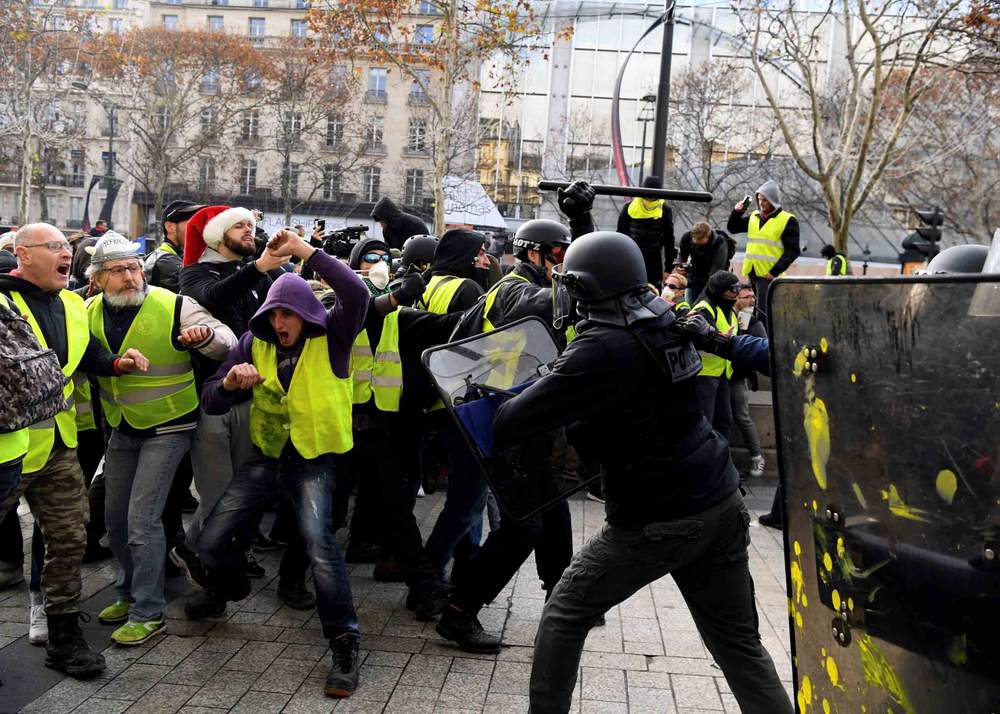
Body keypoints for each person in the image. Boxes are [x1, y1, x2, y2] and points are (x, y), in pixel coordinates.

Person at [492, 231, 791, 714]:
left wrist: (530, 383)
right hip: (720, 500)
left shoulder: (602, 347)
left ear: (585, 287)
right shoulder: (665, 320)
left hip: (660, 516)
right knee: (739, 644)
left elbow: (509, 422)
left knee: (565, 613)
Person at [189, 229, 368, 698]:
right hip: (266, 457)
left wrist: (307, 252)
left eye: (290, 313)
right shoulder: (253, 341)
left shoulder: (333, 335)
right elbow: (210, 400)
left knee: (319, 547)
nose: (282, 322)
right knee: (208, 542)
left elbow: (356, 291)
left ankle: (345, 643)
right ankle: (227, 587)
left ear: (307, 313)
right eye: (275, 313)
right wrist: (229, 383)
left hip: (316, 459)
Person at [0, 223, 149, 678]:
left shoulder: (72, 303)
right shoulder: (4, 303)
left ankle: (64, 639)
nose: (69, 254)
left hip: (59, 445)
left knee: (69, 540)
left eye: (68, 247)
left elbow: (84, 356)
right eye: (56, 247)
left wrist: (117, 365)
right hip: (8, 450)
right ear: (23, 254)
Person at [431, 219, 577, 653]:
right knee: (523, 524)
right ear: (533, 252)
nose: (563, 264)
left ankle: (564, 599)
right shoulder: (512, 287)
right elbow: (541, 306)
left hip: (524, 418)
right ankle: (459, 611)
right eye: (558, 254)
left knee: (552, 511)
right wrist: (583, 280)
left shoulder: (530, 286)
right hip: (501, 421)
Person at [83, 233, 235, 645]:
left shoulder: (174, 304)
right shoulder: (87, 310)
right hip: (122, 426)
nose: (130, 277)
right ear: (97, 279)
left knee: (142, 519)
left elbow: (228, 341)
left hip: (170, 426)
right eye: (118, 271)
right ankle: (127, 591)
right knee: (114, 519)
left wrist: (205, 339)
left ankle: (148, 611)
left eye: (133, 268)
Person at [172, 205, 289, 586]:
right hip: (215, 396)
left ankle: (230, 550)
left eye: (251, 226)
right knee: (218, 491)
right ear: (216, 234)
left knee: (247, 488)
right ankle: (199, 552)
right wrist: (258, 267)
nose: (248, 231)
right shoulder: (195, 273)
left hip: (257, 395)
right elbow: (215, 299)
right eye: (238, 225)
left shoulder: (261, 269)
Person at [728, 180, 800, 326]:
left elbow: (793, 250)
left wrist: (775, 271)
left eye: (765, 200)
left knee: (763, 313)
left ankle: (764, 343)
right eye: (759, 199)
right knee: (749, 310)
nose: (761, 203)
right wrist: (737, 212)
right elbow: (733, 228)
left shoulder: (787, 220)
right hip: (752, 272)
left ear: (773, 201)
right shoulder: (754, 217)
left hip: (768, 275)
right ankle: (751, 339)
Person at [691, 271, 740, 441]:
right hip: (705, 375)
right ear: (720, 290)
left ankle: (721, 460)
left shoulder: (729, 310)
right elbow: (702, 338)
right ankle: (705, 463)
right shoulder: (704, 309)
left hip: (721, 374)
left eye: (738, 287)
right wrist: (720, 338)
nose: (737, 292)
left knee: (725, 421)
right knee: (705, 424)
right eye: (733, 288)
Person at [730, 284, 766, 479]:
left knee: (742, 417)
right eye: (746, 297)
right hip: (721, 374)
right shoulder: (727, 315)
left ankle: (757, 457)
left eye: (753, 296)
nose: (752, 301)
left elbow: (762, 350)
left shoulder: (754, 322)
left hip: (737, 376)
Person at [616, 175, 675, 288]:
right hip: (631, 258)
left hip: (653, 261)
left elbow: (669, 240)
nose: (648, 200)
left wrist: (668, 269)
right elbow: (620, 236)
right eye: (646, 197)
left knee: (653, 292)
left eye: (652, 197)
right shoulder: (630, 208)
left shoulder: (665, 210)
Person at [417, 228, 488, 314]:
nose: (487, 261)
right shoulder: (468, 288)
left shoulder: (426, 283)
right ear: (464, 256)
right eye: (480, 254)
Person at [143, 200, 204, 293]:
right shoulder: (166, 262)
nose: (199, 228)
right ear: (170, 227)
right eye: (192, 223)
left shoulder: (172, 256)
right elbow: (201, 295)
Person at [677, 221, 729, 302]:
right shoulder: (687, 237)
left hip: (715, 275)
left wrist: (699, 300)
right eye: (695, 241)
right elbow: (681, 257)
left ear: (707, 237)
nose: (697, 244)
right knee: (690, 303)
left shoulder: (720, 243)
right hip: (695, 274)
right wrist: (680, 266)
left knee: (705, 302)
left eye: (700, 242)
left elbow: (715, 274)